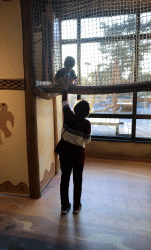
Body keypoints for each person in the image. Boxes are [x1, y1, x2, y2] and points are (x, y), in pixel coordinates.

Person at [55, 78, 91, 215]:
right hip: (78, 154)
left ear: (75, 109)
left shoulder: (68, 115)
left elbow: (64, 102)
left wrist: (66, 88)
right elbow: (86, 141)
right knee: (78, 180)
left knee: (65, 179)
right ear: (86, 113)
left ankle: (64, 206)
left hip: (65, 151)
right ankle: (76, 206)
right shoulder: (87, 124)